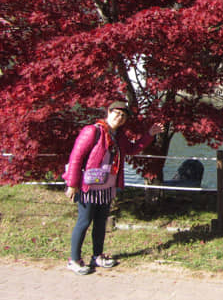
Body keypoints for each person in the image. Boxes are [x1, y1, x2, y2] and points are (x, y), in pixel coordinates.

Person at [62, 101, 164, 275]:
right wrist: (72, 184)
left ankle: (97, 256)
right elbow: (76, 157)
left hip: (107, 187)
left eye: (123, 116)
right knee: (84, 221)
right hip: (88, 186)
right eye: (116, 113)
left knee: (101, 222)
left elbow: (132, 149)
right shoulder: (92, 131)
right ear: (108, 113)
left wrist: (149, 134)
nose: (119, 117)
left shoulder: (119, 136)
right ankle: (74, 259)